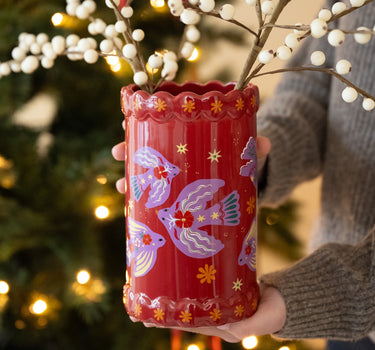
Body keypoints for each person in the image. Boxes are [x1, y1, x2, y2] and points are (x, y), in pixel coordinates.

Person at [112, 1, 375, 348]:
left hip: (349, 296)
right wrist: (253, 161)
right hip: (348, 322)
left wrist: (340, 289)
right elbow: (315, 88)